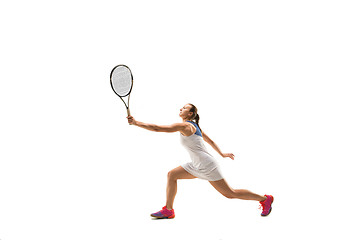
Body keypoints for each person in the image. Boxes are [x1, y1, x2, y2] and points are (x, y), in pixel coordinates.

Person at [127, 103, 273, 218]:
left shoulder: (185, 125)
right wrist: (221, 153)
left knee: (230, 193)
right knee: (172, 175)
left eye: (184, 108)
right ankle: (168, 210)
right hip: (197, 164)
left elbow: (158, 128)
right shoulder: (195, 126)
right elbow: (209, 140)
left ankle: (265, 199)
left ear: (190, 113)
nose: (181, 109)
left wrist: (136, 123)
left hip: (207, 165)